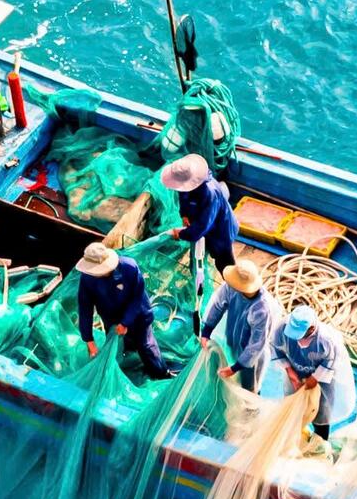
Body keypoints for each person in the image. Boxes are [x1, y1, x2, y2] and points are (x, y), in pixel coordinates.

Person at [76, 242, 172, 378]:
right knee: (123, 344)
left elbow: (137, 297)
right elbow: (85, 309)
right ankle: (129, 359)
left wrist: (126, 322)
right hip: (111, 318)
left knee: (145, 345)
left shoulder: (129, 267)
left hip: (138, 315)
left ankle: (161, 373)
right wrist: (89, 340)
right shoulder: (87, 278)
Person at [272, 305, 357, 439]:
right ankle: (295, 436)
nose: (297, 340)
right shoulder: (282, 328)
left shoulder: (327, 340)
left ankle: (320, 440)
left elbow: (331, 361)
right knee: (293, 406)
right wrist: (289, 370)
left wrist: (315, 378)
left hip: (323, 379)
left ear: (312, 329)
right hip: (295, 371)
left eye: (300, 335)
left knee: (321, 410)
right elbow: (275, 348)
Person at [199, 260, 282, 391]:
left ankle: (251, 403)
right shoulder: (231, 287)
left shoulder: (262, 309)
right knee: (237, 362)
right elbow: (218, 304)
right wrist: (206, 332)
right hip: (235, 340)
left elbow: (256, 344)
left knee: (250, 383)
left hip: (253, 356)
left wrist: (236, 367)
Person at [160, 153, 239, 272]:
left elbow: (202, 226)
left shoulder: (210, 193)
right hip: (202, 222)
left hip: (221, 230)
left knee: (224, 262)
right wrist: (185, 214)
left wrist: (181, 234)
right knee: (198, 255)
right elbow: (183, 195)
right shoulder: (187, 183)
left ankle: (232, 285)